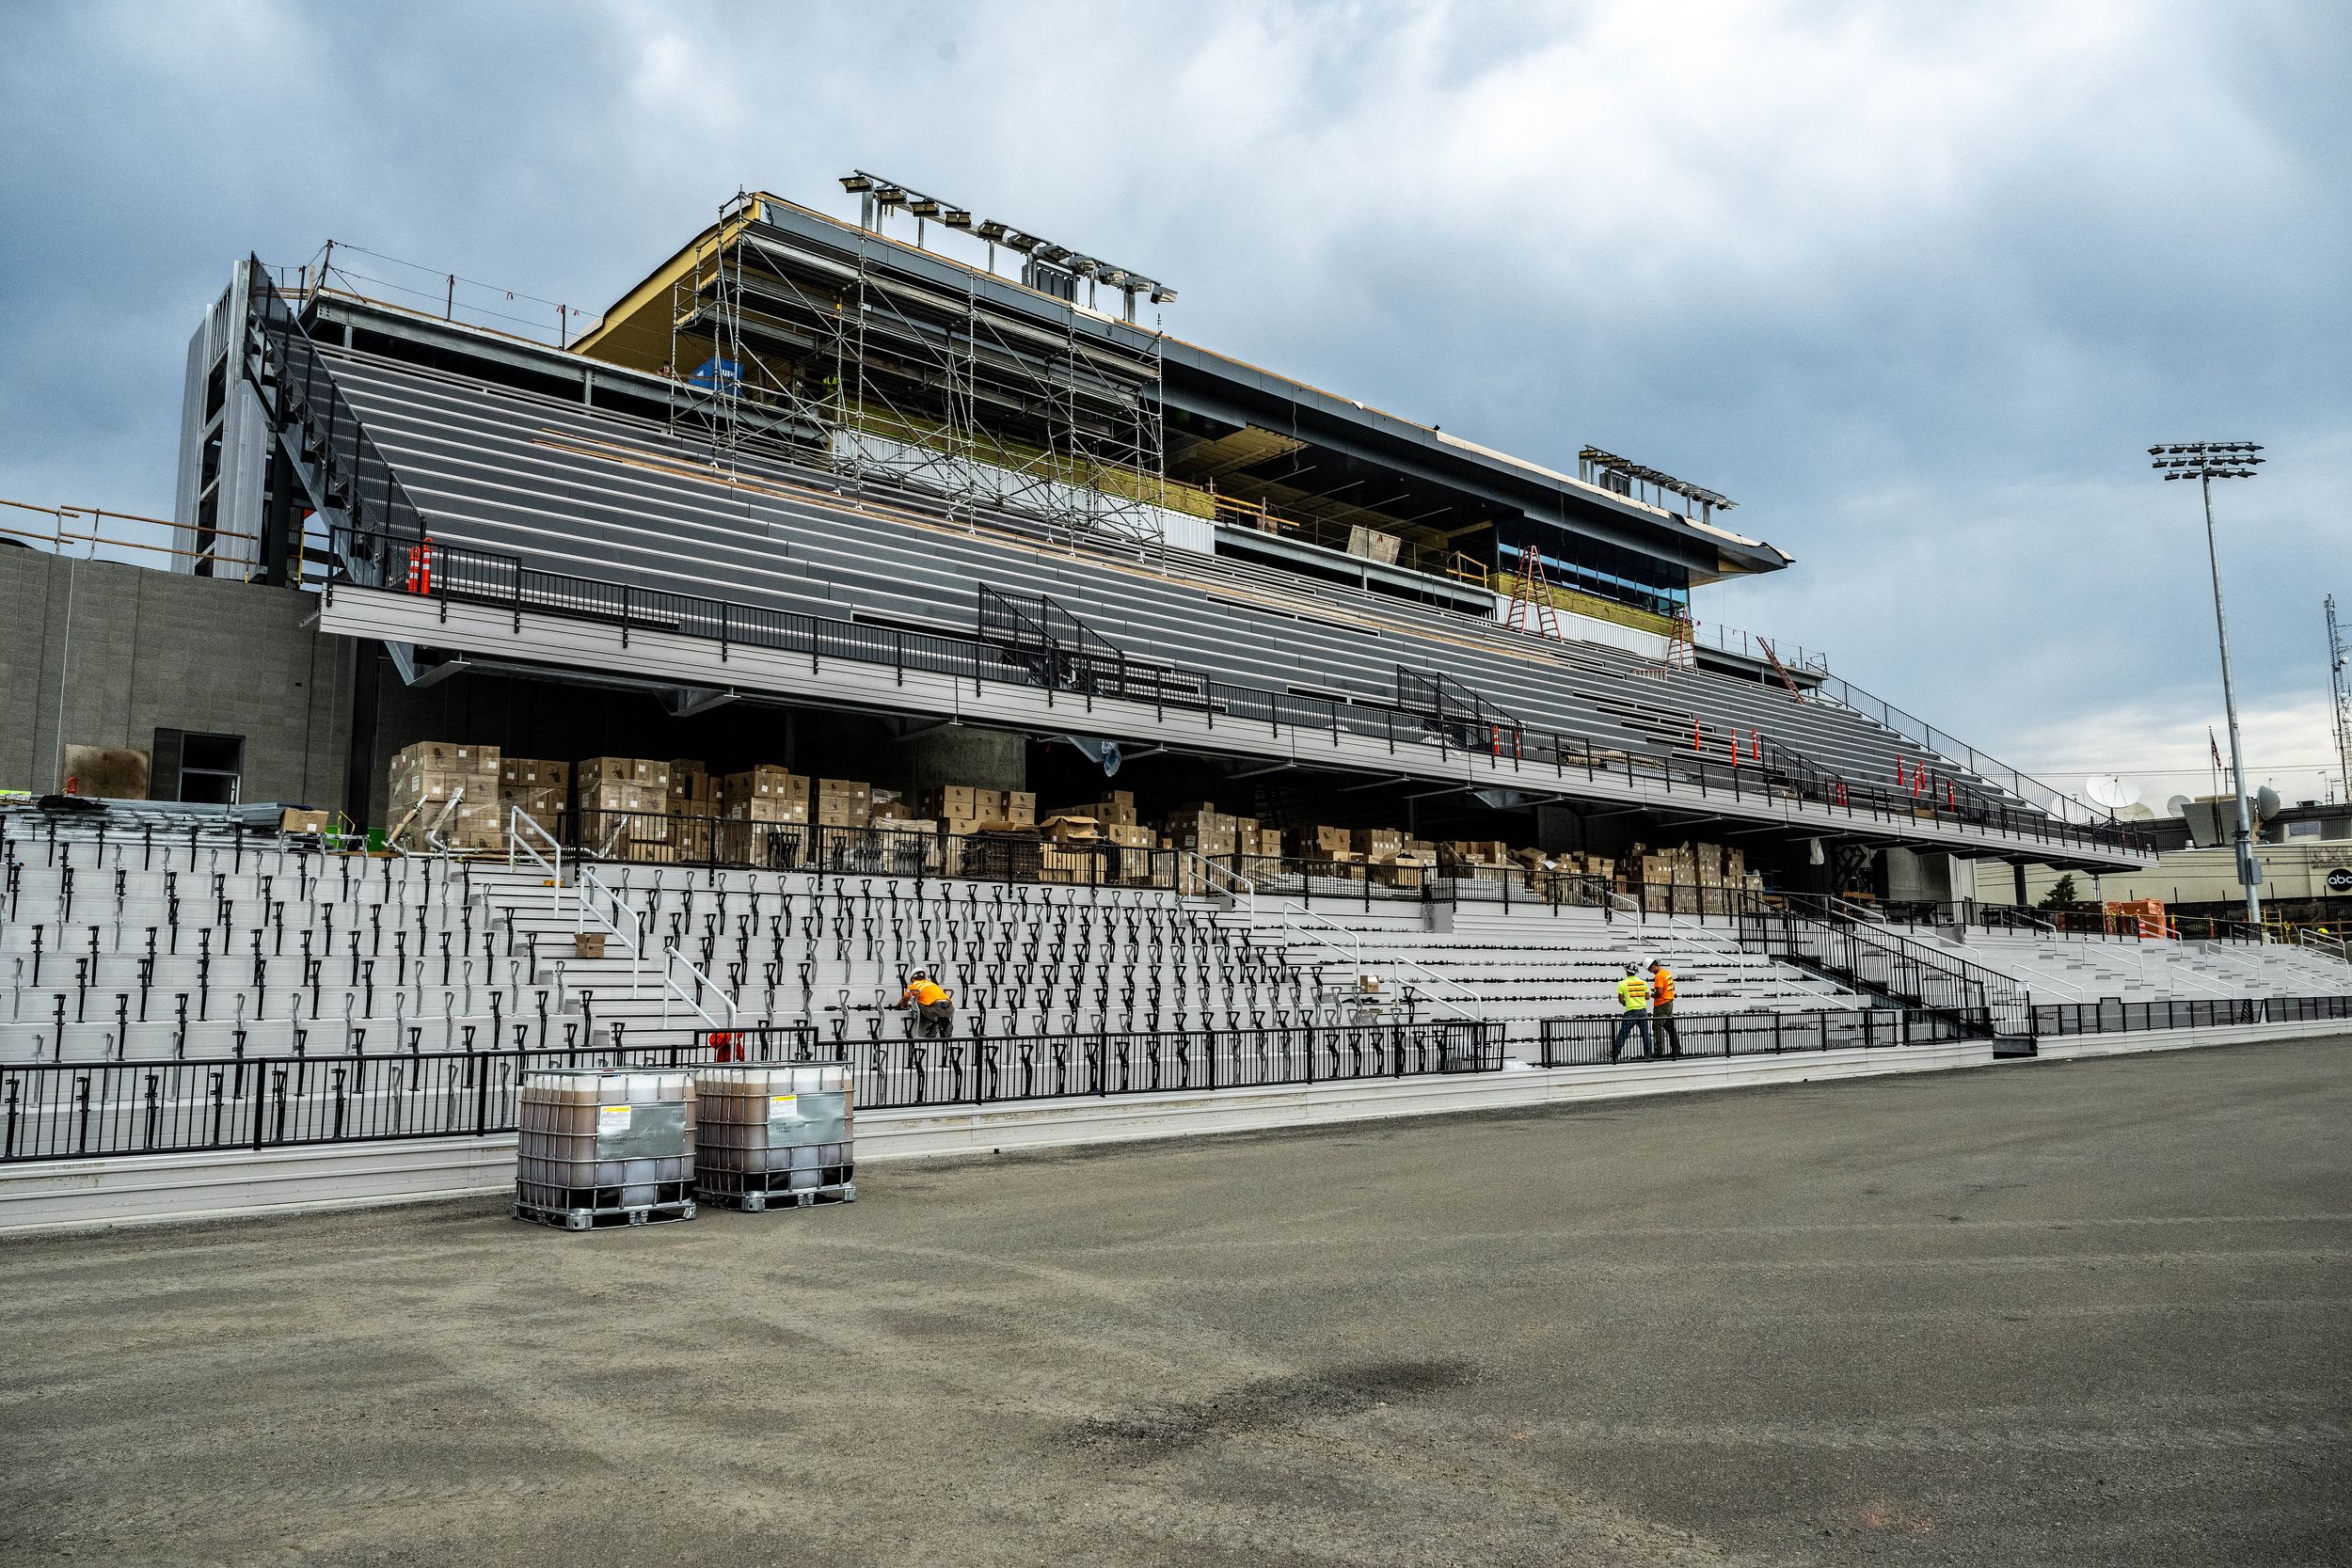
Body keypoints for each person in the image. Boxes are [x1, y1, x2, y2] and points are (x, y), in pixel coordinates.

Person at [1610, 963, 1653, 1061]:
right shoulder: (1643, 982)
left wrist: (1627, 1002)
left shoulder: (1622, 983)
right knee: (1646, 1034)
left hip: (1630, 1011)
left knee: (1623, 1034)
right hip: (1642, 1011)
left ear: (1627, 971)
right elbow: (1647, 997)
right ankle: (1648, 1056)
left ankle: (1615, 1056)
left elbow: (1621, 1000)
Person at [898, 968, 955, 1039]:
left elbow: (904, 1000)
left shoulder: (913, 985)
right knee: (931, 1005)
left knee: (915, 1004)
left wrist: (900, 1005)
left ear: (912, 979)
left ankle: (934, 1023)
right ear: (924, 977)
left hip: (935, 1011)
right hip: (950, 1009)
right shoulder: (932, 984)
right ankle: (946, 1023)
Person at [1647, 959, 1681, 1058]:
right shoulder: (1667, 973)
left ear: (1653, 966)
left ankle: (1658, 1052)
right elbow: (1673, 987)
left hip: (1661, 1005)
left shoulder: (1658, 976)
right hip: (1669, 1003)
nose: (1651, 972)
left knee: (1657, 1028)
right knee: (1671, 1029)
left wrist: (1651, 995)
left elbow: (1659, 992)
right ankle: (1677, 1050)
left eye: (1650, 969)